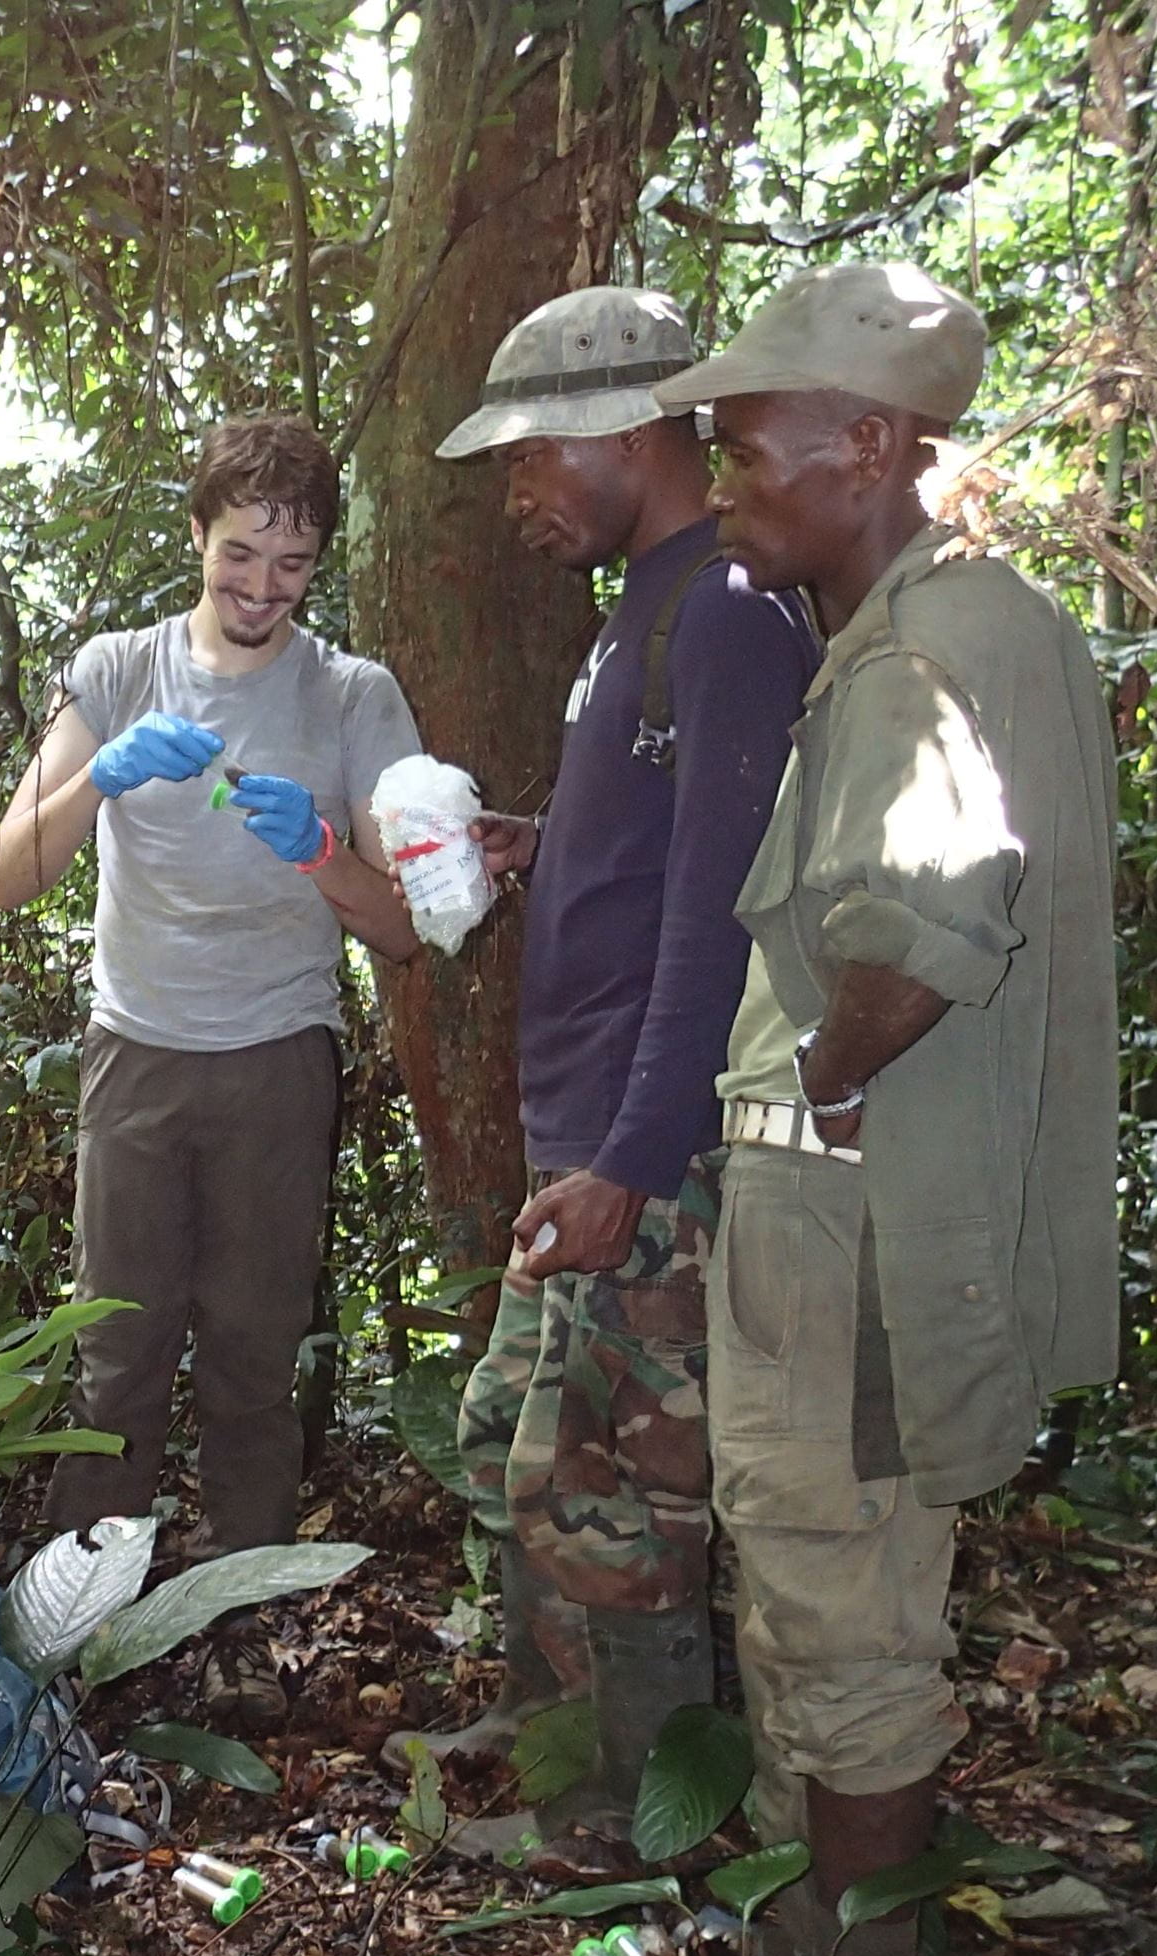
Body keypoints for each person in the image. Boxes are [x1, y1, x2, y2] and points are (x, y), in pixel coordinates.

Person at [655, 264, 1120, 1956]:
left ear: (866, 447)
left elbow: (922, 947)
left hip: (847, 1228)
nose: (722, 482)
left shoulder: (929, 649)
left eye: (745, 446)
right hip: (844, 1214)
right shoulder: (924, 630)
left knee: (845, 1635)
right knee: (813, 1610)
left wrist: (806, 1089)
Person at [419, 287, 821, 1857]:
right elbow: (659, 846)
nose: (518, 487)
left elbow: (725, 909)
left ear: (624, 428)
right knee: (528, 1454)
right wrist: (544, 843)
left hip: (645, 1149)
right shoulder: (644, 607)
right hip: (588, 1127)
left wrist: (639, 1160)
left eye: (531, 450)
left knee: (623, 1502)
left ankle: (630, 1828)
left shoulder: (721, 604)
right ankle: (557, 1744)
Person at [0, 416, 423, 1576]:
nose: (260, 588)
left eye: (290, 566)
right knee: (114, 1354)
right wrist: (100, 773)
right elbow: (7, 875)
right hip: (136, 1049)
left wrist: (323, 849)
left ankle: (250, 1602)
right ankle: (79, 1612)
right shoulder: (119, 670)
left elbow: (400, 927)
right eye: (239, 554)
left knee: (251, 1350)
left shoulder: (349, 697)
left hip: (278, 1056)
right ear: (196, 536)